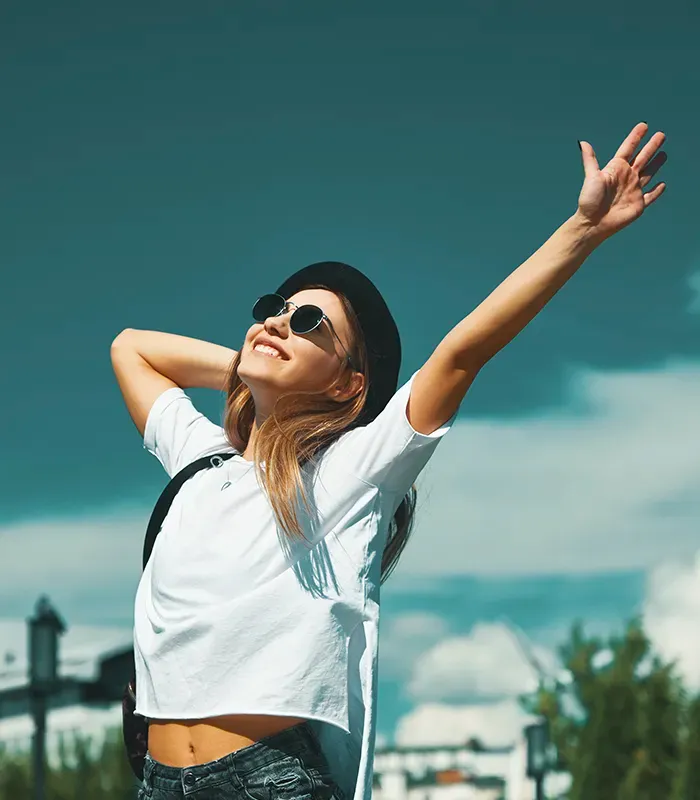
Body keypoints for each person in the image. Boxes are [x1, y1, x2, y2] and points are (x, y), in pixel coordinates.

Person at [111, 122, 666, 800]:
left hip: (267, 780)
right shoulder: (201, 463)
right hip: (156, 781)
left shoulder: (353, 471)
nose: (279, 320)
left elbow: (461, 352)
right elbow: (130, 348)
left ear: (349, 382)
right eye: (273, 310)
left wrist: (581, 231)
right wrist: (253, 365)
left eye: (310, 322)